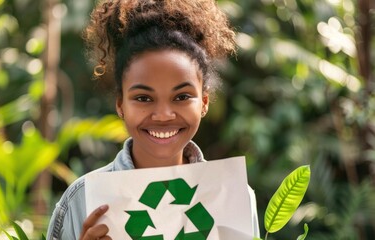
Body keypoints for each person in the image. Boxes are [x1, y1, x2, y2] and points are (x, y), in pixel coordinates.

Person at [46, 0, 260, 239]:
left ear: (204, 102)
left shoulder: (234, 197)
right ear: (120, 104)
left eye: (182, 96)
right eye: (144, 98)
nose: (163, 115)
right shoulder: (81, 203)